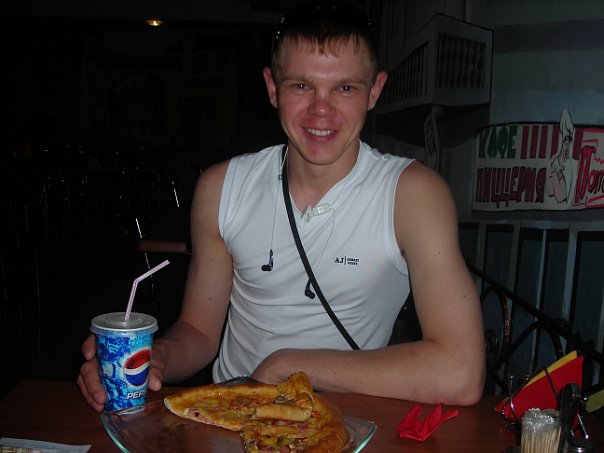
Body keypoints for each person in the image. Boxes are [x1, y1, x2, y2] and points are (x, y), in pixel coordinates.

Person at [77, 0, 485, 411]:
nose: (321, 109)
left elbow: (461, 372)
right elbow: (199, 331)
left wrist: (290, 366)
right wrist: (158, 357)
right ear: (273, 88)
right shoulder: (220, 188)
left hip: (340, 423)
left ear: (374, 91)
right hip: (229, 416)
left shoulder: (413, 195)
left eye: (345, 88)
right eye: (301, 86)